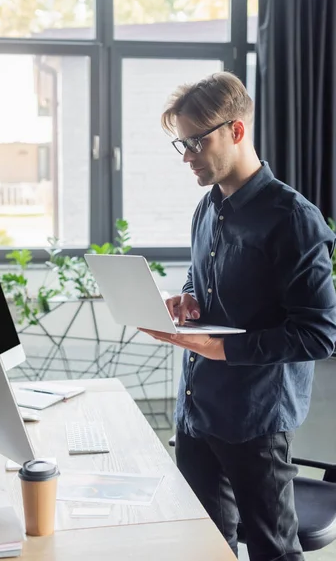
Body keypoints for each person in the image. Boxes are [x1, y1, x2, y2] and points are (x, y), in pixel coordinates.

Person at [140, 72, 336, 561]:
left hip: (255, 421)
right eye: (179, 144)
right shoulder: (207, 208)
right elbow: (202, 283)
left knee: (273, 551)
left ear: (236, 130)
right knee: (207, 546)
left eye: (194, 142)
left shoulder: (292, 217)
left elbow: (319, 333)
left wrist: (222, 347)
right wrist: (187, 300)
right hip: (197, 411)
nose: (185, 156)